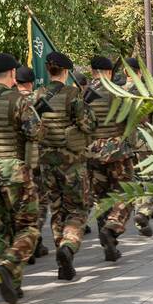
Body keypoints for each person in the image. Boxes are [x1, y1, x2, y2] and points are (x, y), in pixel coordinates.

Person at [0, 54, 45, 302]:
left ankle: (13, 284)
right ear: (13, 74)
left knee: (0, 228)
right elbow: (35, 132)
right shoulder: (19, 101)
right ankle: (9, 265)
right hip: (15, 172)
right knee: (28, 227)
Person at [36, 52, 95, 280]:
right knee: (78, 209)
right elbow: (88, 124)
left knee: (57, 210)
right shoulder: (73, 94)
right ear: (66, 71)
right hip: (71, 162)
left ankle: (63, 264)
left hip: (46, 163)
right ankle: (68, 247)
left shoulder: (37, 95)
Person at [87, 56, 136, 261]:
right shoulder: (119, 93)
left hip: (92, 152)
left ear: (92, 72)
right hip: (118, 151)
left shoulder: (83, 95)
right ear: (108, 72)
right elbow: (130, 122)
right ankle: (112, 228)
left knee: (102, 197)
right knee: (126, 193)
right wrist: (129, 146)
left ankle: (108, 243)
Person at [15, 65, 50, 263]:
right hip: (35, 160)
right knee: (40, 201)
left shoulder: (9, 99)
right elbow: (36, 132)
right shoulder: (35, 100)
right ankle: (33, 239)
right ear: (30, 82)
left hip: (10, 163)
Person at [123, 58, 153, 237]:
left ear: (125, 72)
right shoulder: (146, 91)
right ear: (140, 73)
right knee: (150, 180)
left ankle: (139, 216)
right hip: (144, 142)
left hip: (125, 143)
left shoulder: (118, 92)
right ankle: (143, 213)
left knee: (135, 180)